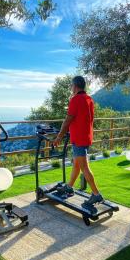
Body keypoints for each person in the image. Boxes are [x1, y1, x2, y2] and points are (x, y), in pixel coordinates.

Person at [53, 76, 103, 205]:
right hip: (85, 137)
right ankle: (69, 187)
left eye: (71, 86)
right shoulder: (89, 99)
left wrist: (59, 136)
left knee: (84, 167)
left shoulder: (75, 99)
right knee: (76, 165)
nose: (71, 88)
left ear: (75, 86)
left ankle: (96, 194)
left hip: (79, 139)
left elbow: (68, 120)